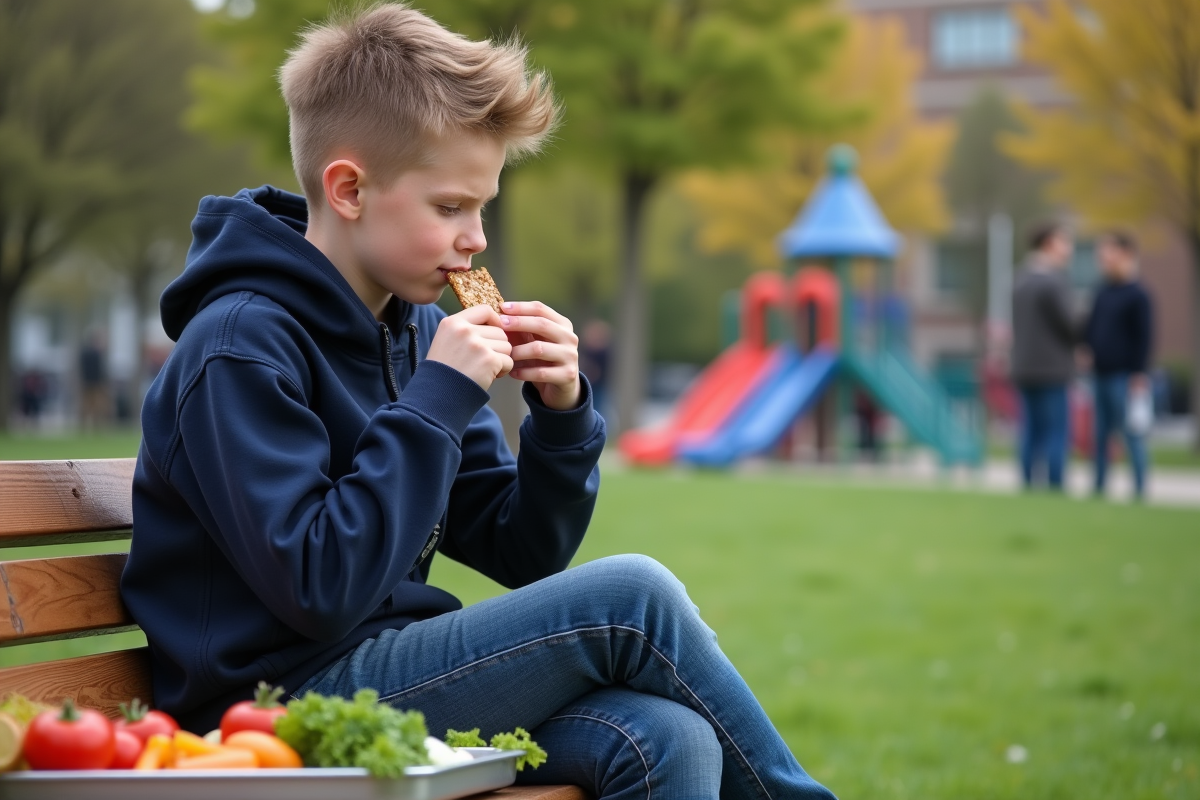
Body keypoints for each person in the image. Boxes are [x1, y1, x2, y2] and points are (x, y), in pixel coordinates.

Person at [120, 6, 835, 798]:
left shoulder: (413, 324)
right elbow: (319, 589)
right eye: (450, 207)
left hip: (391, 675)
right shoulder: (237, 346)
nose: (477, 238)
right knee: (632, 596)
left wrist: (561, 415)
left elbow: (521, 551)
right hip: (266, 712)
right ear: (350, 189)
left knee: (667, 738)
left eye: (483, 206)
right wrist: (437, 400)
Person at [1084, 231, 1153, 500]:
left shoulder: (1138, 295)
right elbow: (1091, 328)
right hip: (1099, 373)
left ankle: (1139, 489)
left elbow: (1144, 337)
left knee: (1130, 434)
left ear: (1126, 255)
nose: (1103, 259)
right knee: (1099, 435)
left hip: (1124, 376)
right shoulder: (1101, 291)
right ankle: (1099, 487)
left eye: (1109, 253)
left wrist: (1139, 373)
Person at [1011, 222, 1079, 491]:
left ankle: (1028, 483)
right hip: (1052, 369)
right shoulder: (1053, 281)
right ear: (1049, 243)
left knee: (1030, 430)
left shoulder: (1020, 279)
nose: (1069, 249)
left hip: (1024, 367)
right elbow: (1070, 325)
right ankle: (1055, 484)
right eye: (1064, 242)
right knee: (1056, 431)